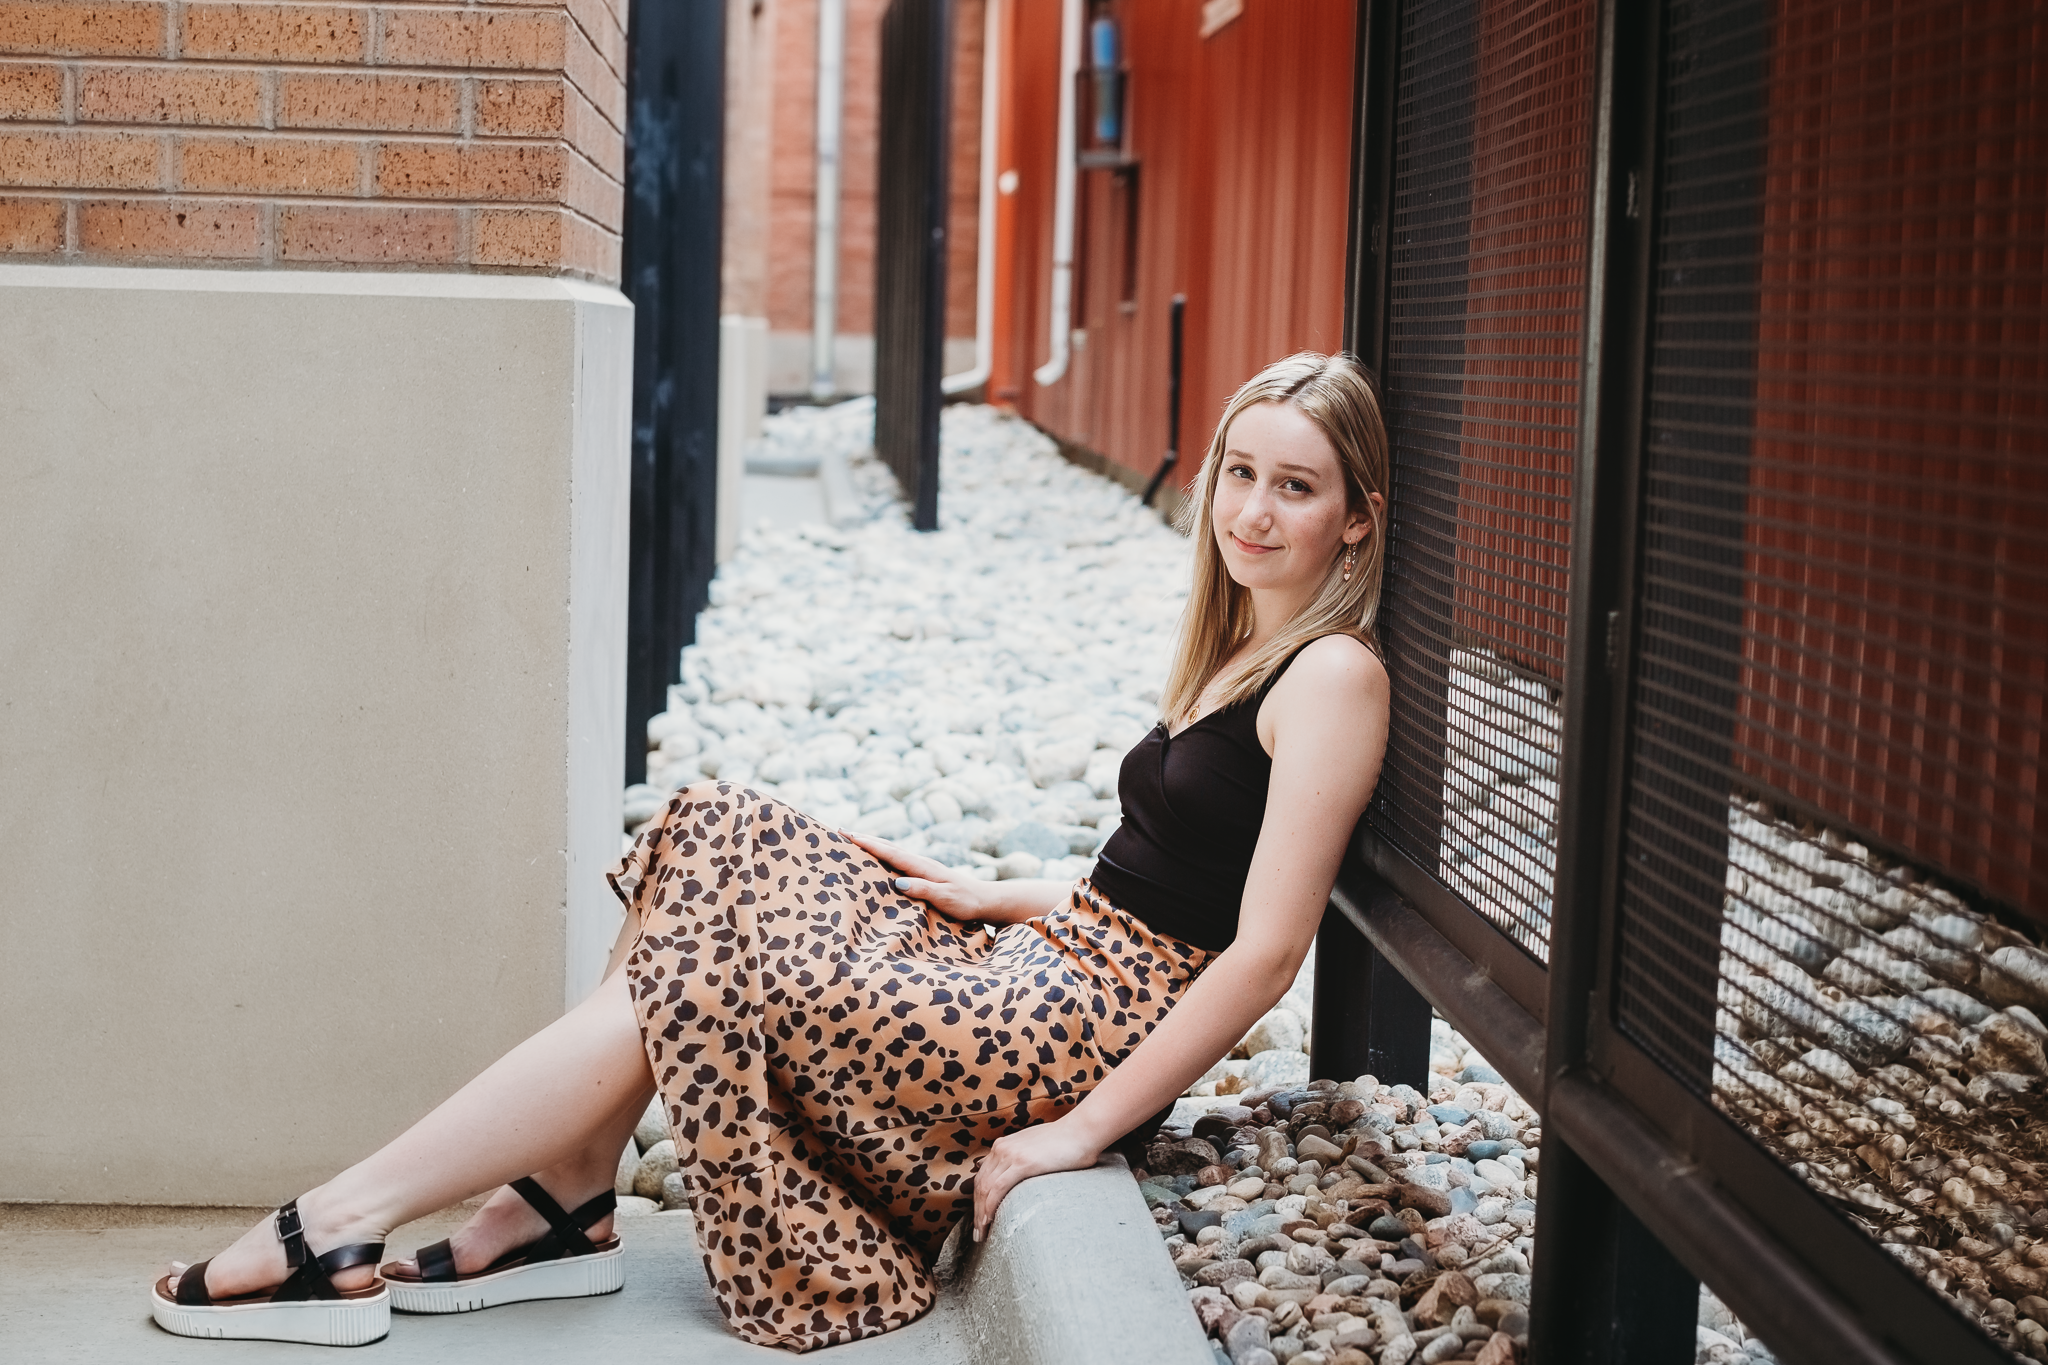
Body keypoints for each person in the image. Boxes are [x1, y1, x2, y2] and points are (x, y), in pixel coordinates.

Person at [150, 350, 1393, 1351]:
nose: (1251, 510)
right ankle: (565, 1189)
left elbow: (1261, 953)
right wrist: (1000, 893)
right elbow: (1175, 876)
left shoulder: (1332, 677)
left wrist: (1081, 1130)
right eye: (1239, 472)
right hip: (1057, 961)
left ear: (1354, 521)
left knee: (708, 965)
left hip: (1066, 1036)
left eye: (1294, 487)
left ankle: (346, 1219)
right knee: (715, 822)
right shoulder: (1247, 645)